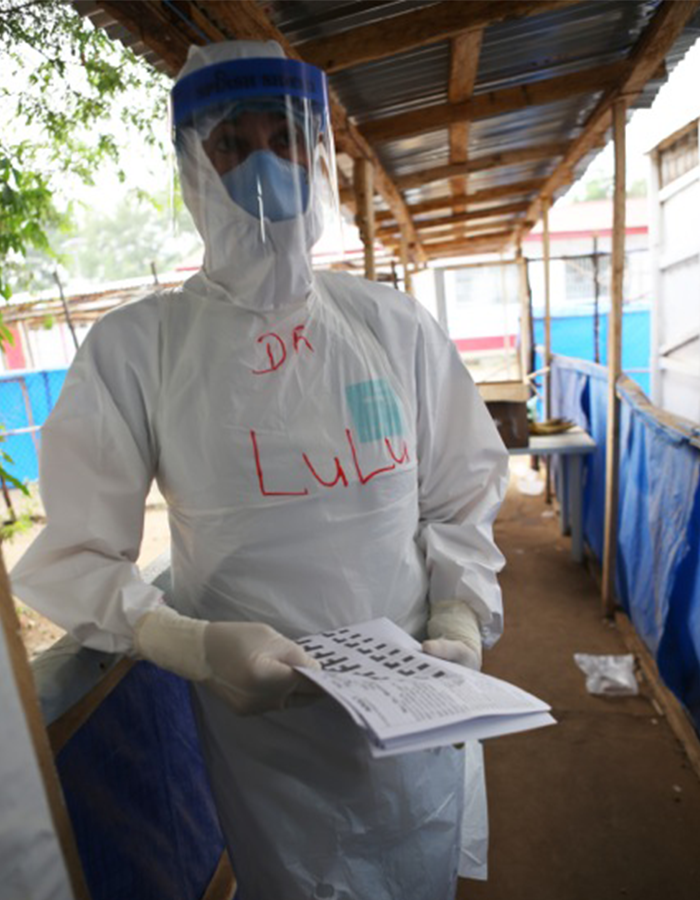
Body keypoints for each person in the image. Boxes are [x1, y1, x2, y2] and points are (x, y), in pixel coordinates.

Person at [11, 40, 509, 900]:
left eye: (282, 138)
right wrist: (190, 644)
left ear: (318, 156)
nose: (262, 168)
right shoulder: (141, 350)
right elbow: (77, 555)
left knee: (420, 871)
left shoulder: (391, 327)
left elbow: (461, 489)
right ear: (192, 169)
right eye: (230, 145)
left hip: (413, 706)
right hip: (266, 733)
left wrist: (460, 616)